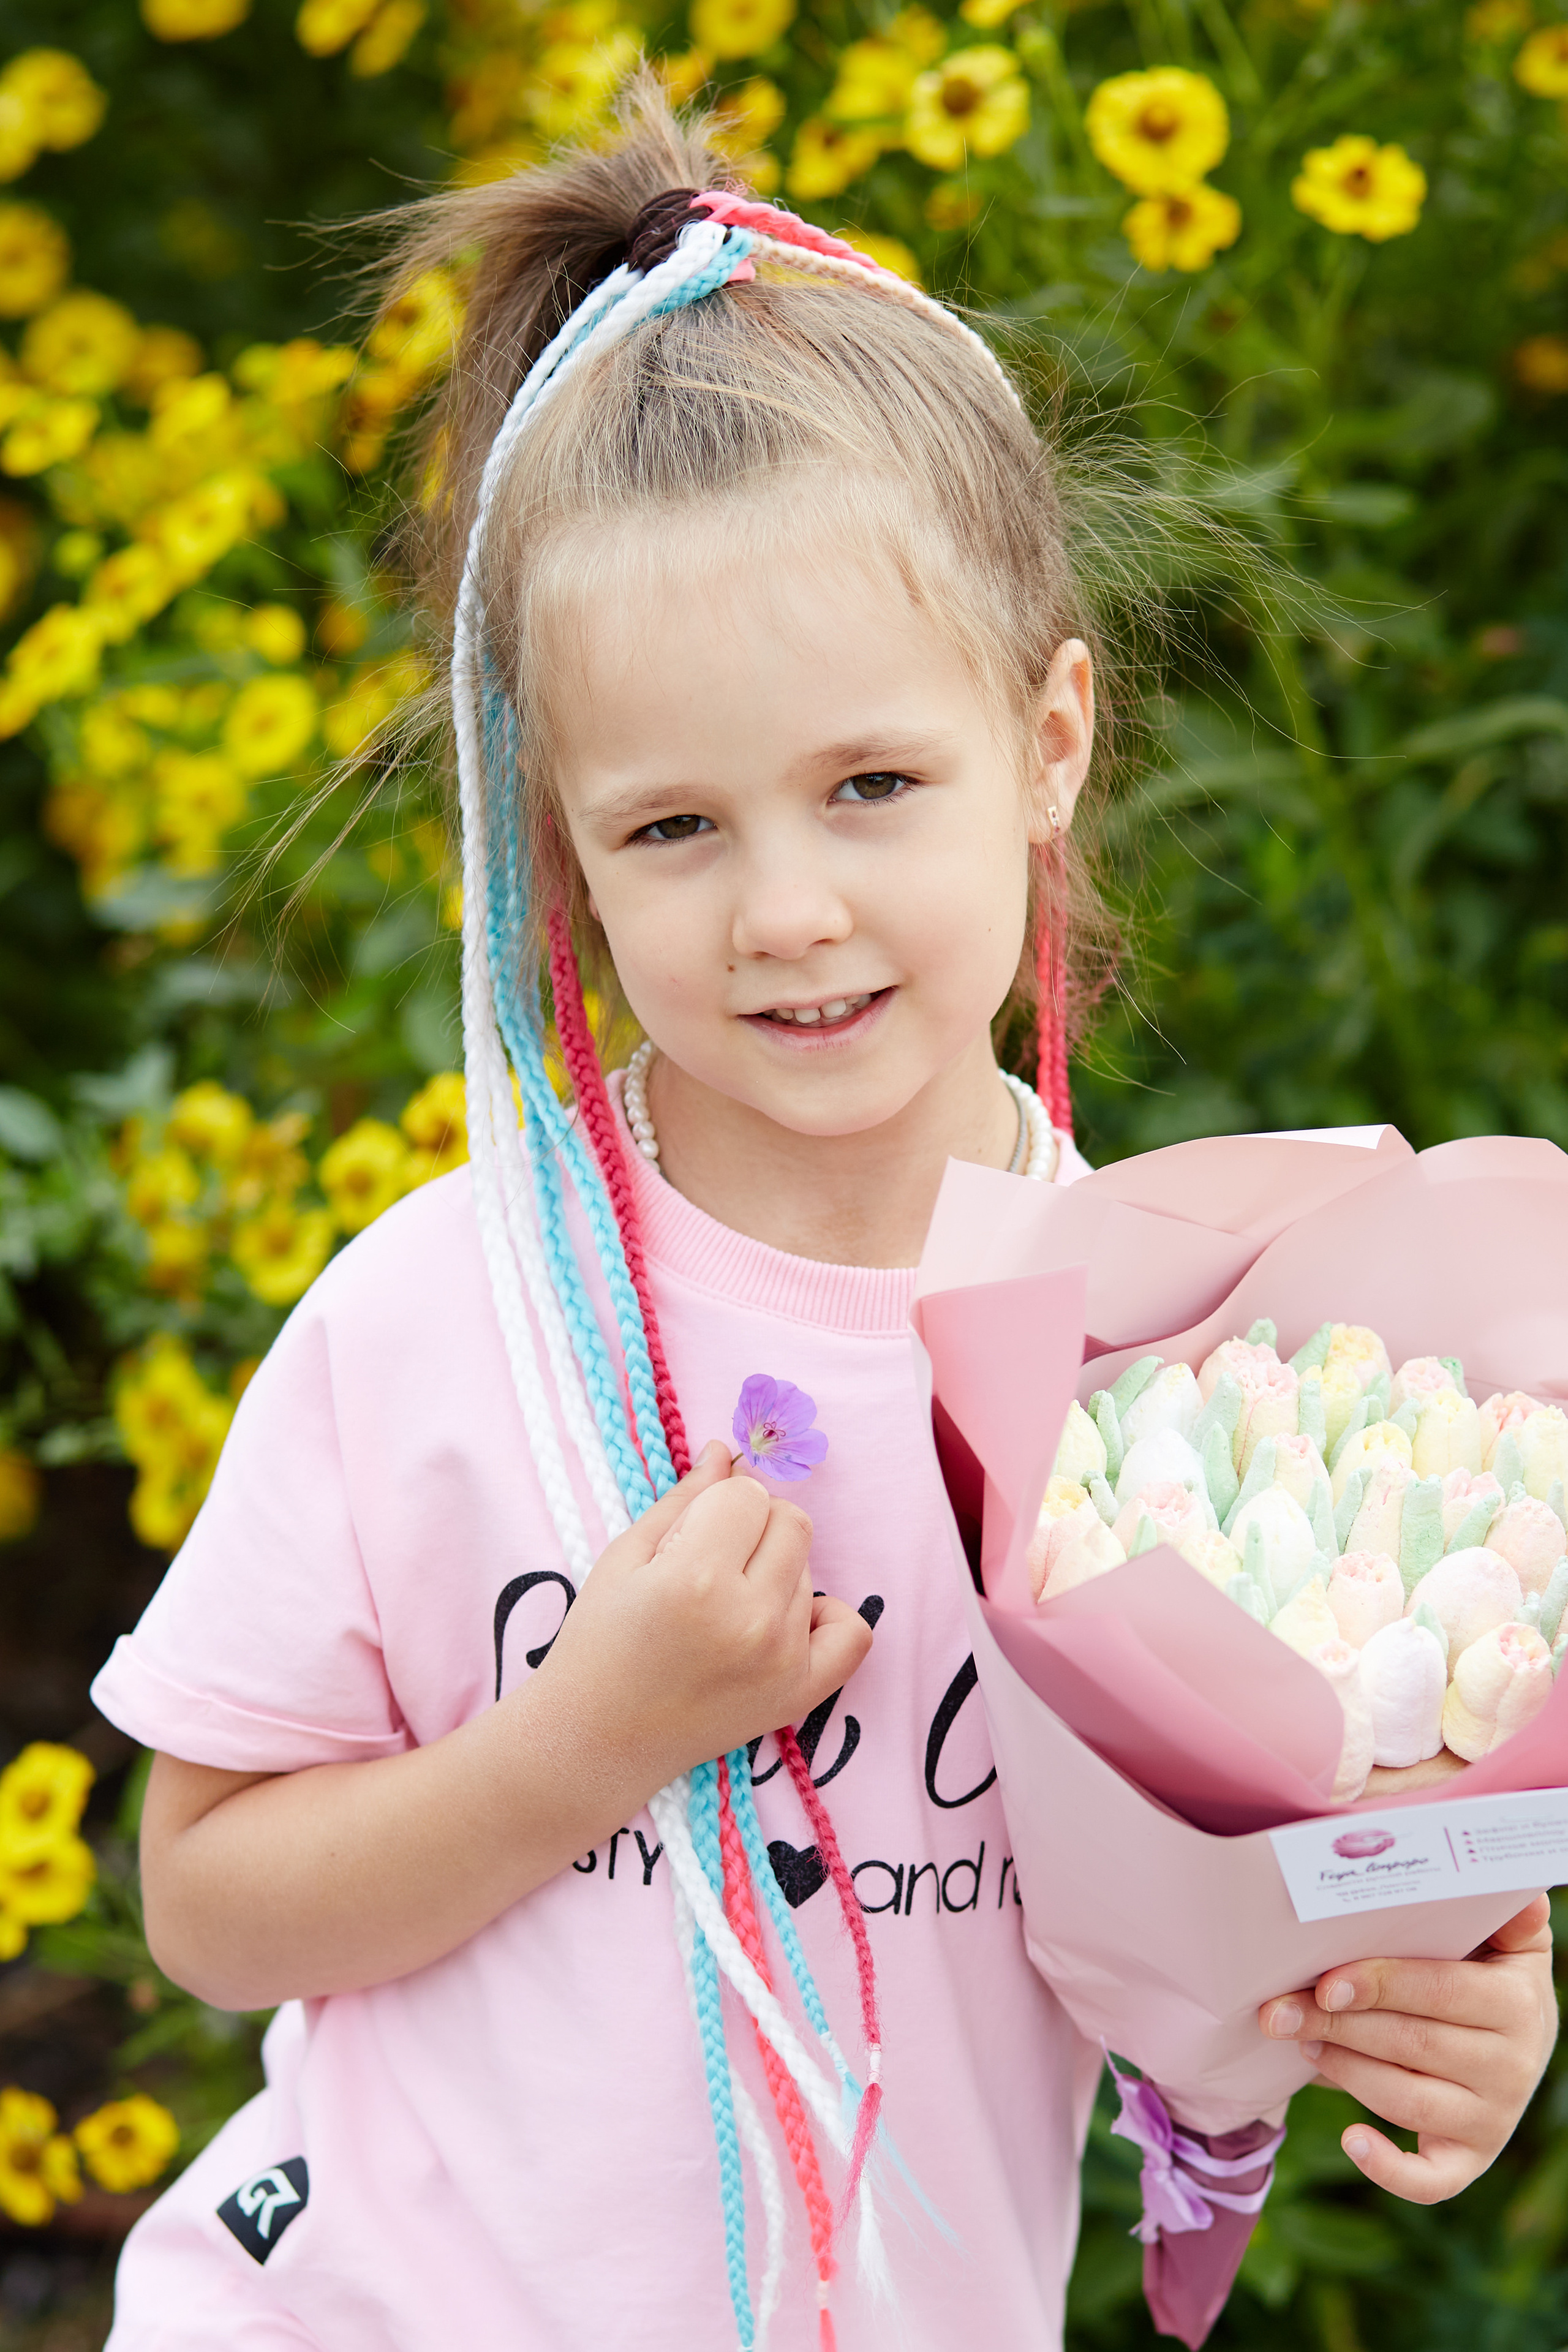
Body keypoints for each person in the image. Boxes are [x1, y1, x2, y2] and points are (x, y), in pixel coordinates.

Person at [89, 81, 1556, 2352]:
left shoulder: (1193, 1373)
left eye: (874, 785)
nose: (789, 910)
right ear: (558, 851)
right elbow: (203, 1907)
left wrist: (1439, 2014)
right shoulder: (442, 1318)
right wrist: (581, 1741)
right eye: (671, 828)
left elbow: (1257, 1945)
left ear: (1050, 735)